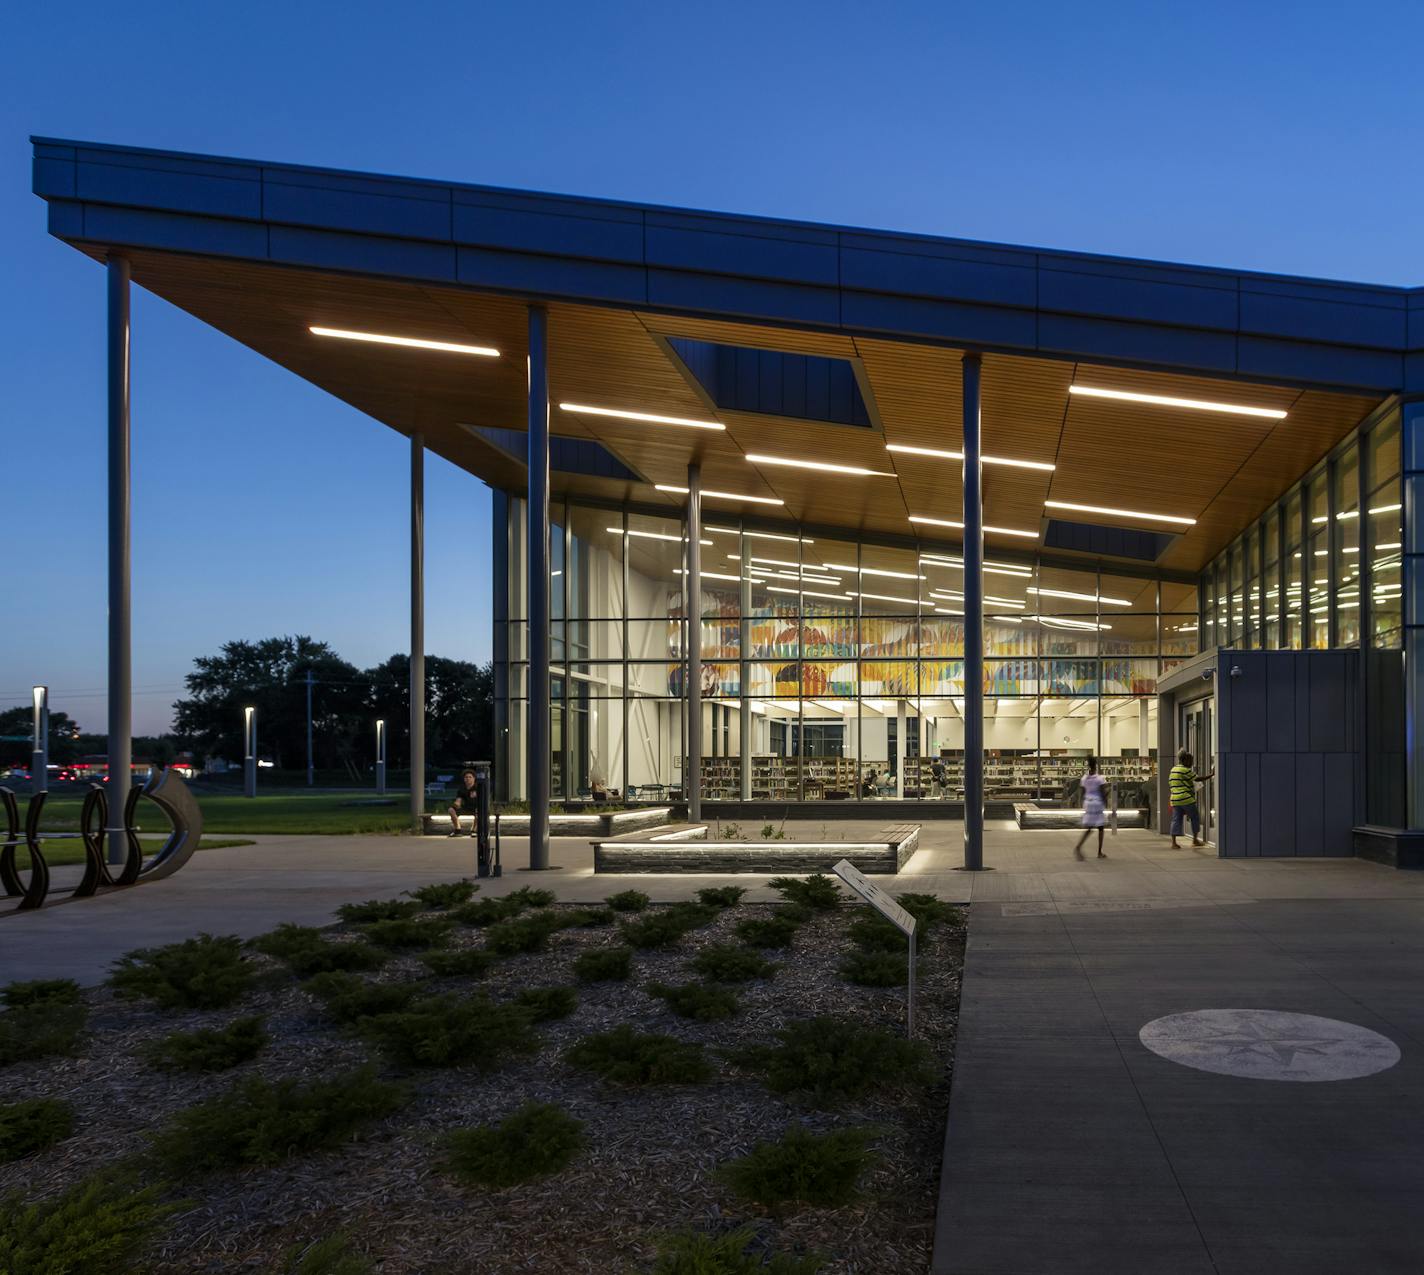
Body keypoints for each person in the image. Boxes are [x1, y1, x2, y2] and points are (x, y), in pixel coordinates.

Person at [1169, 749, 1212, 848]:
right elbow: (1197, 778)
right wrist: (1211, 775)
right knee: (1195, 817)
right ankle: (1195, 840)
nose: (1192, 763)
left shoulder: (1173, 769)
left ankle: (1174, 843)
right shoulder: (1185, 770)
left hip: (1175, 799)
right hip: (1186, 798)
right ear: (1185, 760)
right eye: (1191, 761)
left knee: (1176, 820)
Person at [1073, 758, 1108, 860]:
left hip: (1088, 803)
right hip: (1097, 804)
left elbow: (1083, 792)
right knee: (1100, 828)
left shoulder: (1084, 779)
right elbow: (1102, 792)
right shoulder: (1100, 779)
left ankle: (1079, 847)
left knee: (1089, 828)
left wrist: (1082, 803)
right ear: (1096, 766)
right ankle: (1099, 852)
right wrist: (1105, 801)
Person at [447, 769, 480, 838]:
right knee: (451, 809)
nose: (468, 779)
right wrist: (456, 804)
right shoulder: (462, 789)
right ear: (464, 779)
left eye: (470, 777)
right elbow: (458, 800)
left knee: (479, 811)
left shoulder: (478, 788)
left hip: (477, 808)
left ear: (474, 778)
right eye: (466, 777)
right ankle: (457, 830)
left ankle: (474, 830)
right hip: (466, 807)